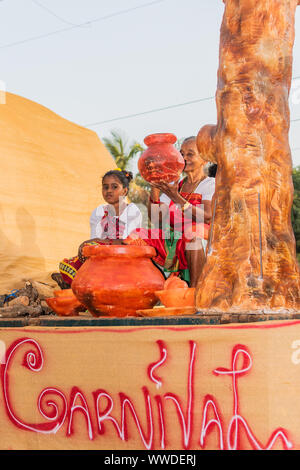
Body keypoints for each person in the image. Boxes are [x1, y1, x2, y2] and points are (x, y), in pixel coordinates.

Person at [124, 136, 216, 287]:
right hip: (174, 237)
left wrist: (176, 197)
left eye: (190, 154)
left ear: (205, 159)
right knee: (135, 235)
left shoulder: (209, 184)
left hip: (201, 234)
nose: (185, 158)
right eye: (182, 154)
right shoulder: (174, 184)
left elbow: (206, 217)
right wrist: (154, 188)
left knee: (193, 233)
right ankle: (141, 290)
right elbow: (157, 219)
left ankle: (196, 293)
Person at [52, 169, 142, 288]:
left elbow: (129, 242)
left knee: (90, 251)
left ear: (125, 191)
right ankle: (77, 284)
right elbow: (95, 240)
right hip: (103, 254)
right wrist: (89, 248)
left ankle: (75, 283)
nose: (109, 190)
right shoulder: (99, 212)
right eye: (105, 187)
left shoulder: (132, 210)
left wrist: (101, 243)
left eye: (114, 187)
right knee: (68, 265)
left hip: (124, 255)